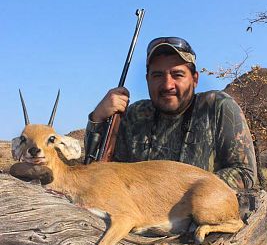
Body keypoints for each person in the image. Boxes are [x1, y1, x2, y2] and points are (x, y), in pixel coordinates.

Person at [85, 37, 257, 190]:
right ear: (147, 79)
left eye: (177, 74)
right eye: (158, 75)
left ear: (195, 79)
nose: (167, 85)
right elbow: (100, 171)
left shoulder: (217, 107)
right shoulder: (134, 114)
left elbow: (244, 174)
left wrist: (179, 193)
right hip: (137, 217)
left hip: (199, 216)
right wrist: (97, 119)